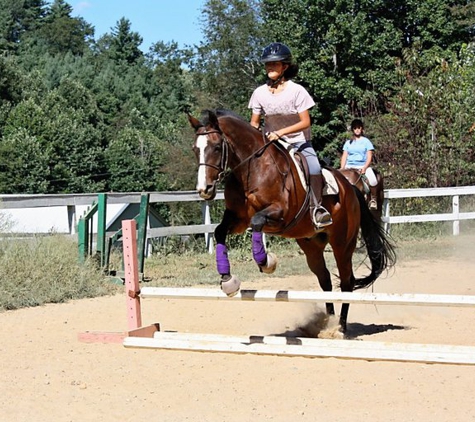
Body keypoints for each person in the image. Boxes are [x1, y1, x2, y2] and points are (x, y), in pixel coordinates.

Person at [248, 42, 332, 229]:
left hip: (298, 142)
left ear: (284, 66)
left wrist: (280, 133)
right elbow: (254, 122)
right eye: (268, 64)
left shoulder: (297, 90)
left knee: (314, 167)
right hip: (271, 143)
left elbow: (305, 122)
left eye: (274, 64)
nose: (270, 67)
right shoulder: (259, 93)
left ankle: (317, 209)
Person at [340, 118, 379, 210]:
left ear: (361, 129)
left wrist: (365, 167)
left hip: (362, 165)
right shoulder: (348, 142)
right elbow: (344, 156)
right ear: (353, 130)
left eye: (358, 128)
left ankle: (373, 200)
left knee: (373, 180)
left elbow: (369, 156)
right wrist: (342, 168)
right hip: (349, 166)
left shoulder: (366, 141)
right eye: (355, 128)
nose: (357, 130)